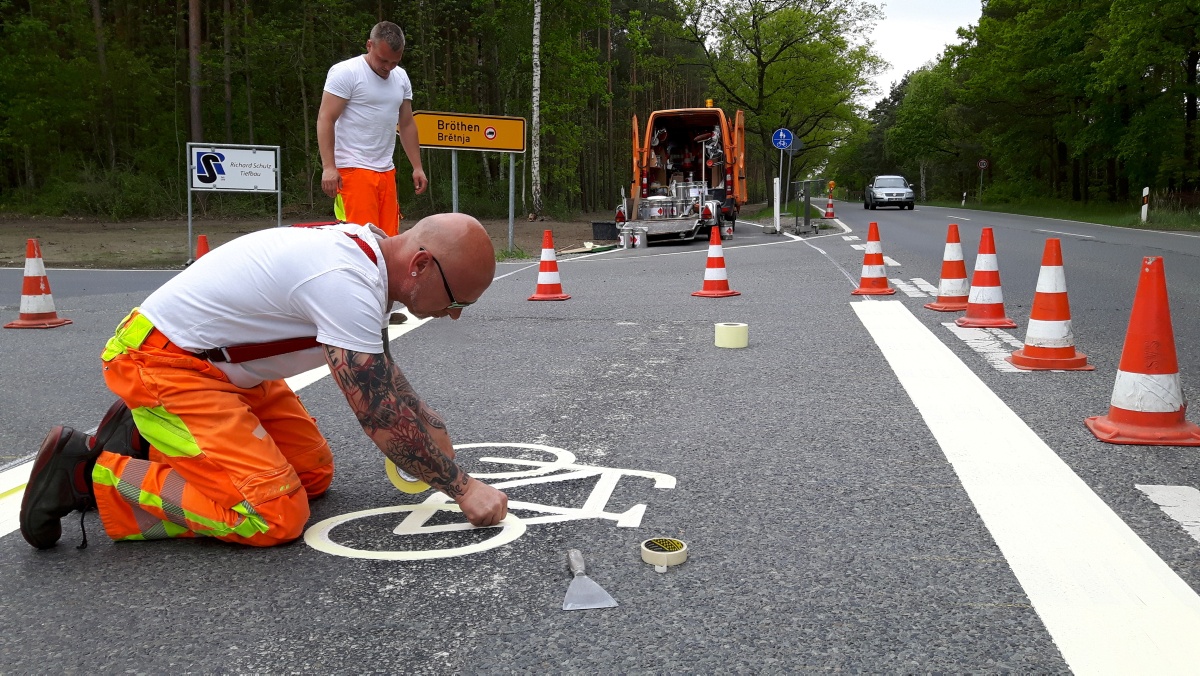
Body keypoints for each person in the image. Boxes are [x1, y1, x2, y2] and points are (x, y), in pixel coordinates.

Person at [18, 214, 508, 550]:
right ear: (421, 265)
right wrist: (461, 487)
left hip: (225, 369)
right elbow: (376, 409)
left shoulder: (370, 257)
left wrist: (428, 424)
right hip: (164, 362)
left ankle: (154, 434)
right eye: (457, 301)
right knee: (273, 515)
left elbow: (382, 375)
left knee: (313, 475)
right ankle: (88, 474)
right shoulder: (345, 279)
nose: (455, 316)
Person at [318, 21, 427, 239]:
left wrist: (417, 167)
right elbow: (325, 118)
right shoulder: (346, 73)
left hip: (386, 171)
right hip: (353, 170)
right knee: (362, 242)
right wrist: (329, 167)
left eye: (394, 62)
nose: (388, 67)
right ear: (369, 45)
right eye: (383, 60)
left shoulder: (401, 77)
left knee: (389, 241)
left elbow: (406, 123)